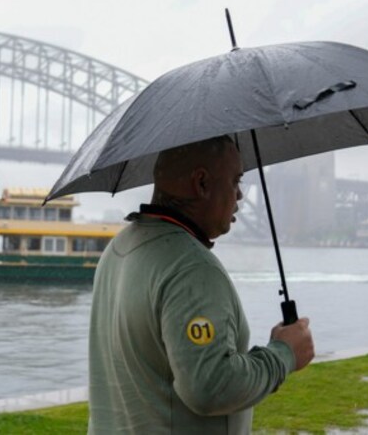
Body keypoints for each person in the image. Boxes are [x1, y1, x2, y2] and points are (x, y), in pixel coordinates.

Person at [88, 134, 315, 434]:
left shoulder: (119, 248)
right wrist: (283, 354)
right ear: (202, 184)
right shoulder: (191, 268)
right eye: (235, 181)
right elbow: (211, 387)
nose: (240, 197)